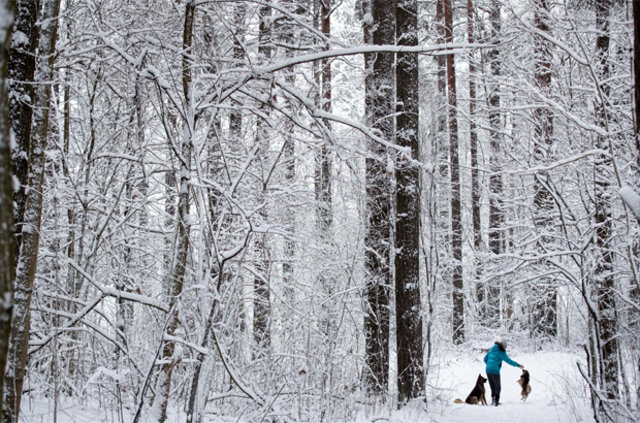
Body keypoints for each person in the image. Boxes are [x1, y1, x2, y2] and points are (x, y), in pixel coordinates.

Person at [483, 337, 524, 406]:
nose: (505, 348)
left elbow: (485, 359)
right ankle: (496, 401)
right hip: (495, 370)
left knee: (492, 386)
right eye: (505, 347)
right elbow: (509, 361)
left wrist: (489, 364)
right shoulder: (501, 352)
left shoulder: (492, 349)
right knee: (497, 386)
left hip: (488, 370)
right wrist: (518, 365)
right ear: (503, 346)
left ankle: (493, 400)